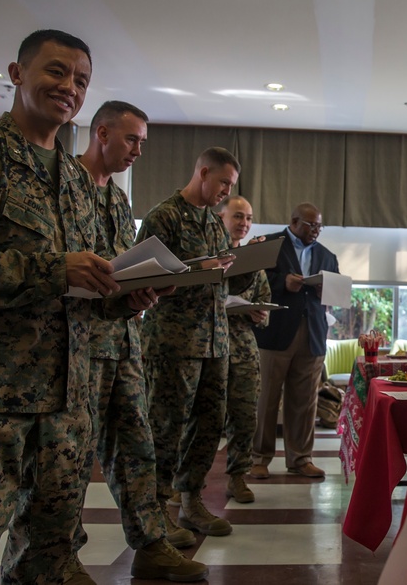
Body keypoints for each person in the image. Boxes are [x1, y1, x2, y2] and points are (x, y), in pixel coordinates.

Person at [0, 30, 160, 584]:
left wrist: (126, 298)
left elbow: (87, 290)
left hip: (69, 395)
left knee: (49, 552)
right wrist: (54, 270)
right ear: (17, 74)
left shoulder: (76, 180)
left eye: (81, 80)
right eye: (56, 71)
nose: (70, 86)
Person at [73, 101, 208, 581]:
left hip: (122, 341)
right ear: (102, 133)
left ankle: (150, 544)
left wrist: (144, 291)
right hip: (79, 347)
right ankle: (57, 558)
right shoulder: (65, 184)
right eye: (132, 139)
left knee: (137, 449)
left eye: (143, 142)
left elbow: (117, 268)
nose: (138, 151)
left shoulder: (116, 199)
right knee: (70, 459)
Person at [137, 147, 239, 537]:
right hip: (174, 342)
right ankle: (156, 508)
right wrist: (200, 269)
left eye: (231, 186)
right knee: (167, 427)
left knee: (209, 426)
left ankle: (191, 501)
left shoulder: (215, 224)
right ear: (204, 172)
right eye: (224, 182)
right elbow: (142, 278)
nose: (227, 192)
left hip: (215, 341)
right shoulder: (164, 217)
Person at [251, 203, 339, 479]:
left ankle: (301, 459)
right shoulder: (269, 245)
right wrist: (282, 283)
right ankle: (259, 458)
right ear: (294, 221)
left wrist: (327, 290)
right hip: (275, 332)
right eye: (311, 225)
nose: (316, 230)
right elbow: (252, 280)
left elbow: (336, 295)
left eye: (320, 226)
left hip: (312, 334)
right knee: (266, 399)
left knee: (305, 401)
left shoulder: (327, 256)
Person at [218, 196, 271, 503]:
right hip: (209, 346)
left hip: (243, 349)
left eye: (249, 218)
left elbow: (265, 301)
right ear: (222, 217)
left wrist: (260, 313)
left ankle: (237, 477)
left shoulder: (254, 261)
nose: (244, 223)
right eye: (238, 216)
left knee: (245, 416)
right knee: (203, 418)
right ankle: (185, 484)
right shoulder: (208, 256)